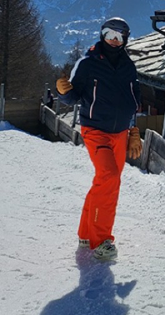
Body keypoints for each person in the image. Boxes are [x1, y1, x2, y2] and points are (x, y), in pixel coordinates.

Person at [56, 17, 142, 261]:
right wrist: (64, 93)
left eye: (119, 36)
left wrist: (134, 132)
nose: (113, 40)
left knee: (108, 183)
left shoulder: (128, 66)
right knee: (109, 176)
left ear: (125, 39)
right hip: (95, 130)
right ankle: (101, 241)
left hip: (120, 133)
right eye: (109, 34)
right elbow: (73, 97)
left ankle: (86, 233)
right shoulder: (87, 63)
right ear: (101, 35)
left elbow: (134, 101)